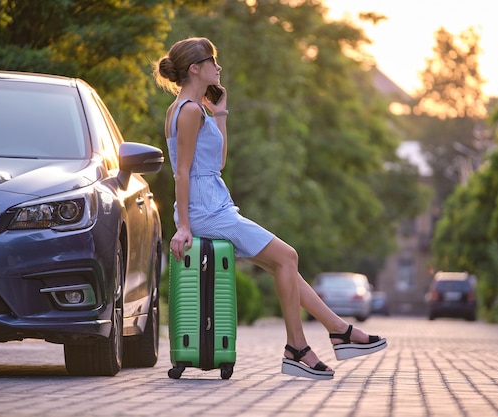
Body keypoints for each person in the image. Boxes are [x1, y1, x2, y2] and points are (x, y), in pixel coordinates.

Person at [153, 37, 387, 380]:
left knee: (283, 266)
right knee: (288, 256)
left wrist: (220, 113)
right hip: (207, 212)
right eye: (212, 61)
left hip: (215, 205)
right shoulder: (187, 111)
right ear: (195, 68)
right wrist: (184, 226)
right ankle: (298, 348)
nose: (218, 67)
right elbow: (182, 172)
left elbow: (216, 161)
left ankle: (338, 330)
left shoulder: (190, 109)